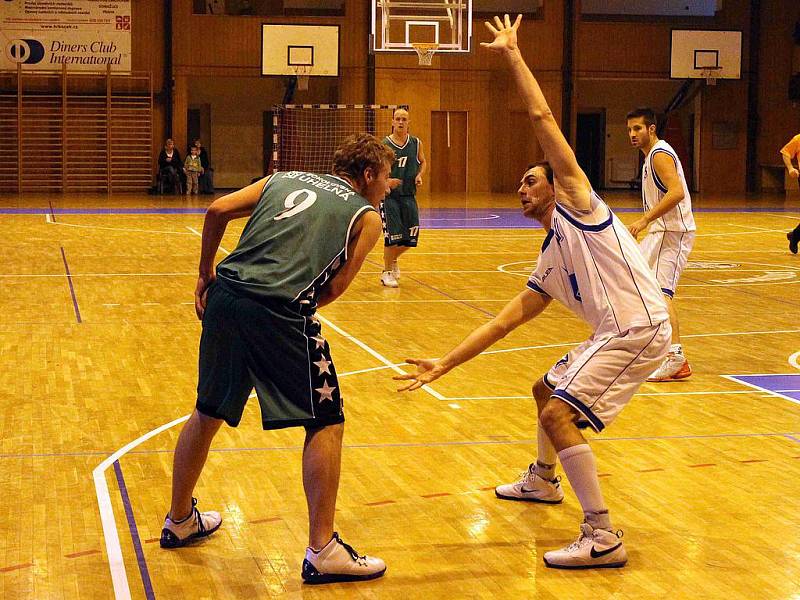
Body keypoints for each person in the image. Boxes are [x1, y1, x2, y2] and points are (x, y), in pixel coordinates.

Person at [395, 14, 671, 570]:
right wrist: (442, 364)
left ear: (557, 185)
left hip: (638, 331)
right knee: (545, 389)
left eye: (531, 180)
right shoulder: (550, 256)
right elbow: (501, 323)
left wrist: (513, 55)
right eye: (521, 183)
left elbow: (542, 116)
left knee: (557, 416)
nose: (523, 188)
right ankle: (544, 481)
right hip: (622, 332)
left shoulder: (582, 206)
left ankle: (602, 535)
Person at [160, 133, 393, 584]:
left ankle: (179, 518)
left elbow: (216, 210)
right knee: (326, 419)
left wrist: (206, 272)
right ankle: (323, 549)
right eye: (386, 178)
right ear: (367, 176)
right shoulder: (366, 216)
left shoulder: (280, 179)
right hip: (279, 310)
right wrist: (284, 308)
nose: (388, 186)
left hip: (225, 297)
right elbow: (335, 288)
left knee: (207, 410)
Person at [626, 108, 696, 381]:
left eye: (638, 129)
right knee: (636, 285)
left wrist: (643, 221)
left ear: (651, 129)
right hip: (661, 232)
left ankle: (676, 357)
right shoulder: (650, 157)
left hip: (673, 232)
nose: (632, 134)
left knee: (660, 294)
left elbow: (677, 192)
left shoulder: (659, 155)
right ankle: (646, 348)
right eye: (630, 130)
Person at [379, 107, 427, 287]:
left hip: (409, 195)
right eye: (397, 119)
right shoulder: (384, 145)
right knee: (393, 237)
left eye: (404, 119)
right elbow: (377, 169)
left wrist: (419, 175)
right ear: (392, 122)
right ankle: (386, 272)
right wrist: (386, 181)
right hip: (390, 198)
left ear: (409, 123)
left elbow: (423, 162)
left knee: (410, 239)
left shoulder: (416, 143)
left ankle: (392, 261)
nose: (400, 122)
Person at [780, 133, 800, 253]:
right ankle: (795, 235)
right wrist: (791, 168)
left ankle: (795, 235)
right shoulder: (798, 139)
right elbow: (785, 152)